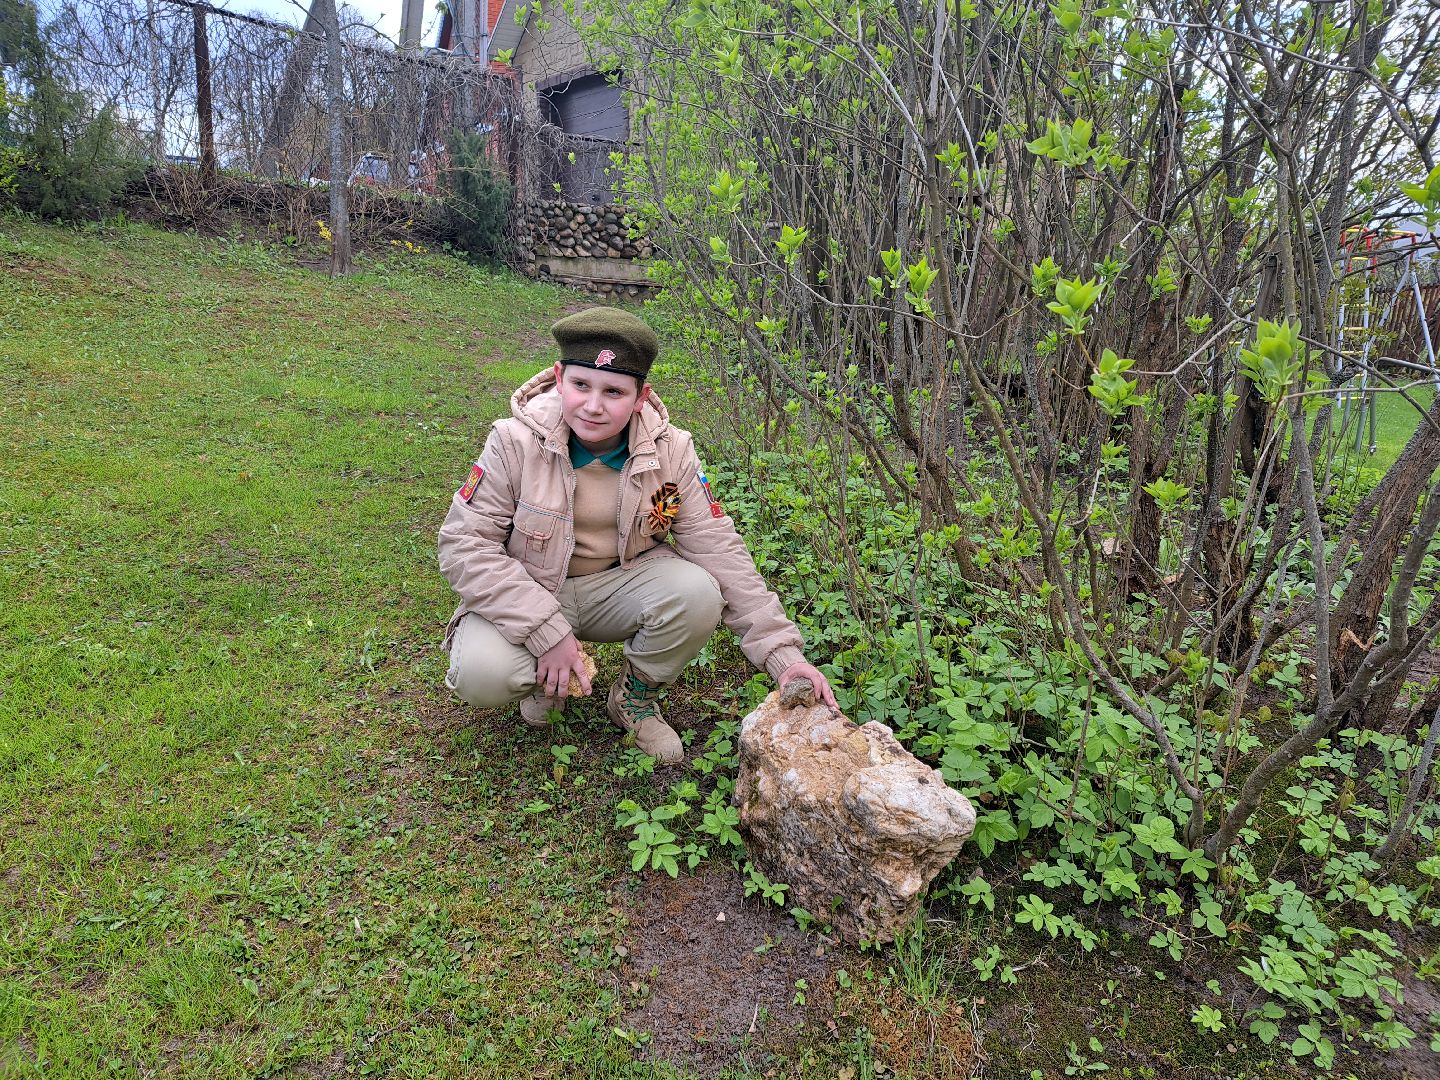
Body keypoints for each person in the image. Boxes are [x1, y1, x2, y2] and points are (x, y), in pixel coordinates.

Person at [438, 307, 836, 764]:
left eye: (614, 391)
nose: (593, 405)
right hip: (532, 586)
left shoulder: (672, 452)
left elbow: (719, 547)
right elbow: (464, 545)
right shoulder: (513, 442)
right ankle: (555, 678)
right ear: (558, 377)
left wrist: (784, 657)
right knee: (481, 673)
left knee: (699, 592)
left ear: (641, 396)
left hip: (620, 585)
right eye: (581, 385)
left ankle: (633, 699)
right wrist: (546, 631)